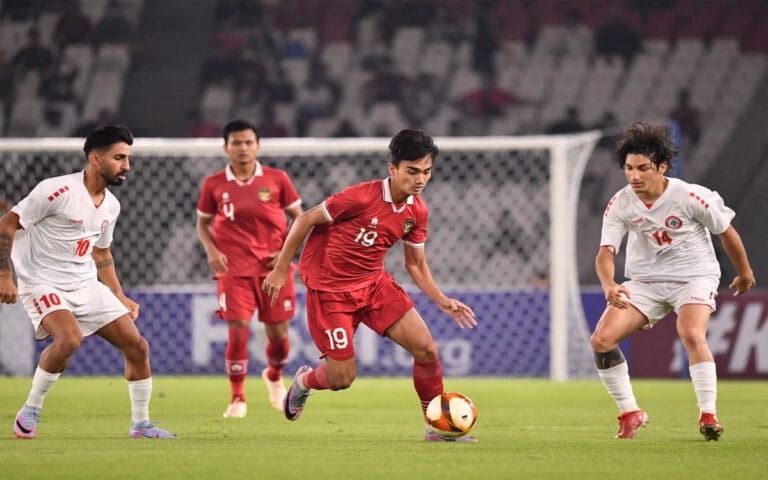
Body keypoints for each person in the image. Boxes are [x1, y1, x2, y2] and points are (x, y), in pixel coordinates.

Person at [262, 128, 478, 442]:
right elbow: (305, 219)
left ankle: (436, 427)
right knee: (342, 378)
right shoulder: (361, 197)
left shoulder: (417, 211)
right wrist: (282, 269)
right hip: (331, 292)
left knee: (427, 350)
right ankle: (305, 382)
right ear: (393, 169)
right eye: (412, 171)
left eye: (427, 172)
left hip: (374, 285)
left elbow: (415, 264)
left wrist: (441, 299)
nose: (420, 179)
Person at [0, 125, 176, 439]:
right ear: (95, 158)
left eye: (128, 159)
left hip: (85, 283)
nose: (127, 166)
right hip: (42, 283)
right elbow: (7, 223)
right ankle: (30, 411)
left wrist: (119, 295)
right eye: (119, 158)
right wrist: (4, 275)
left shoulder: (111, 205)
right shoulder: (57, 190)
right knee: (69, 340)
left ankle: (141, 426)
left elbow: (101, 252)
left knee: (137, 347)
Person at [590, 122, 756, 441]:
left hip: (694, 276)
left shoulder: (690, 196)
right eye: (628, 168)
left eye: (643, 168)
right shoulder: (621, 202)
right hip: (646, 281)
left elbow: (727, 232)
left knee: (691, 333)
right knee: (601, 340)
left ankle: (708, 415)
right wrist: (609, 284)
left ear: (662, 167)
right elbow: (605, 252)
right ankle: (630, 412)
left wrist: (744, 272)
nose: (634, 176)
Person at [196, 119, 303, 418]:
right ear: (225, 147)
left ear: (257, 146)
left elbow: (301, 219)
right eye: (236, 143)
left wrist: (284, 253)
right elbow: (202, 224)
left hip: (274, 271)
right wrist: (212, 250)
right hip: (233, 270)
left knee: (279, 338)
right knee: (238, 331)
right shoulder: (213, 184)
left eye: (248, 142)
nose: (242, 148)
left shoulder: (277, 179)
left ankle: (273, 374)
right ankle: (237, 397)